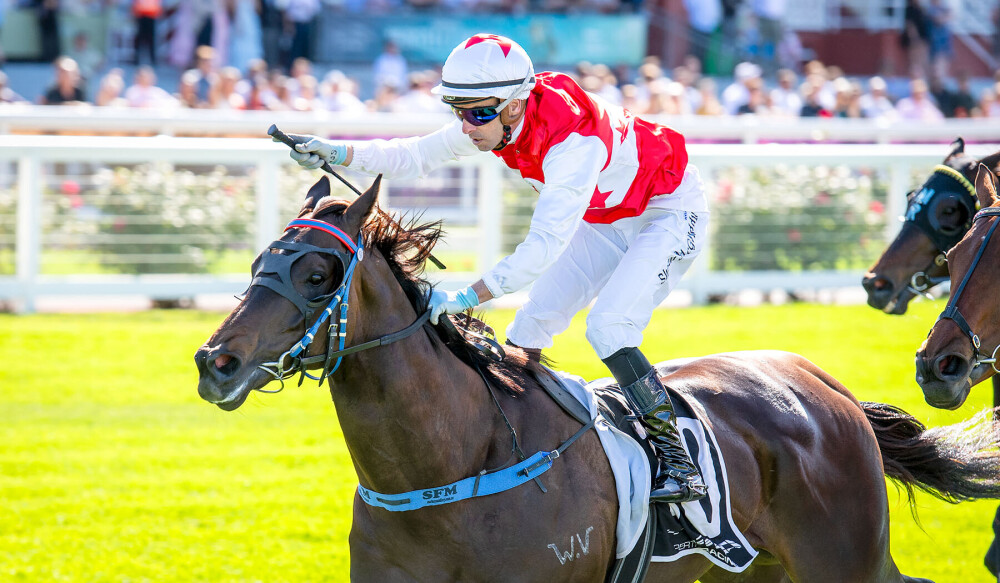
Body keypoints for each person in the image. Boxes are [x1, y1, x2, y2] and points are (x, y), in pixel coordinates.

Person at [281, 34, 710, 504]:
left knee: (609, 327)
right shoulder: (501, 116)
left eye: (478, 112)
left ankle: (681, 465)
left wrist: (467, 297)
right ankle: (527, 445)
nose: (467, 125)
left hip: (669, 213)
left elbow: (542, 248)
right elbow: (415, 155)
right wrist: (336, 153)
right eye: (457, 110)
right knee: (527, 328)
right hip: (610, 218)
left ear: (514, 104)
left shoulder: (573, 144)